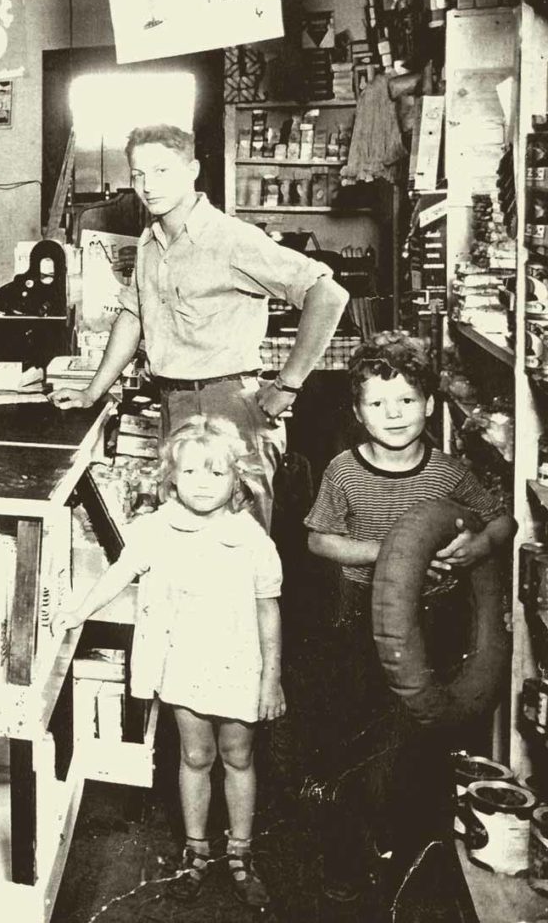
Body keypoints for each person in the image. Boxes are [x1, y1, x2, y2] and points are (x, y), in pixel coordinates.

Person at [50, 124, 350, 528]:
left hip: (230, 409)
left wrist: (288, 385)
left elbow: (329, 295)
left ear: (191, 170)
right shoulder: (149, 241)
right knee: (184, 545)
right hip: (174, 404)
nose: (147, 185)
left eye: (161, 171)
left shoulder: (231, 238)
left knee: (238, 552)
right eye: (138, 174)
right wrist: (91, 392)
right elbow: (133, 316)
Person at [304, 333, 512, 902]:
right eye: (376, 403)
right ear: (357, 411)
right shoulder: (344, 471)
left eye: (405, 401)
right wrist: (393, 551)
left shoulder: (449, 473)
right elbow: (320, 541)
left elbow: (500, 520)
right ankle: (348, 850)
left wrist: (479, 547)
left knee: (419, 730)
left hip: (434, 617)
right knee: (357, 730)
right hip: (360, 618)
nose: (392, 415)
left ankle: (412, 842)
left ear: (429, 405)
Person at [59, 415, 285, 906]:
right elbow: (121, 573)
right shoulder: (157, 529)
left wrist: (273, 679)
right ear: (171, 477)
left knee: (238, 757)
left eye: (216, 474)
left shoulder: (251, 540)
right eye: (190, 473)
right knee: (195, 756)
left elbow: (269, 612)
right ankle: (197, 851)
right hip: (185, 663)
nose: (202, 485)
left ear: (236, 479)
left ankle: (241, 854)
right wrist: (79, 609)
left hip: (240, 664)